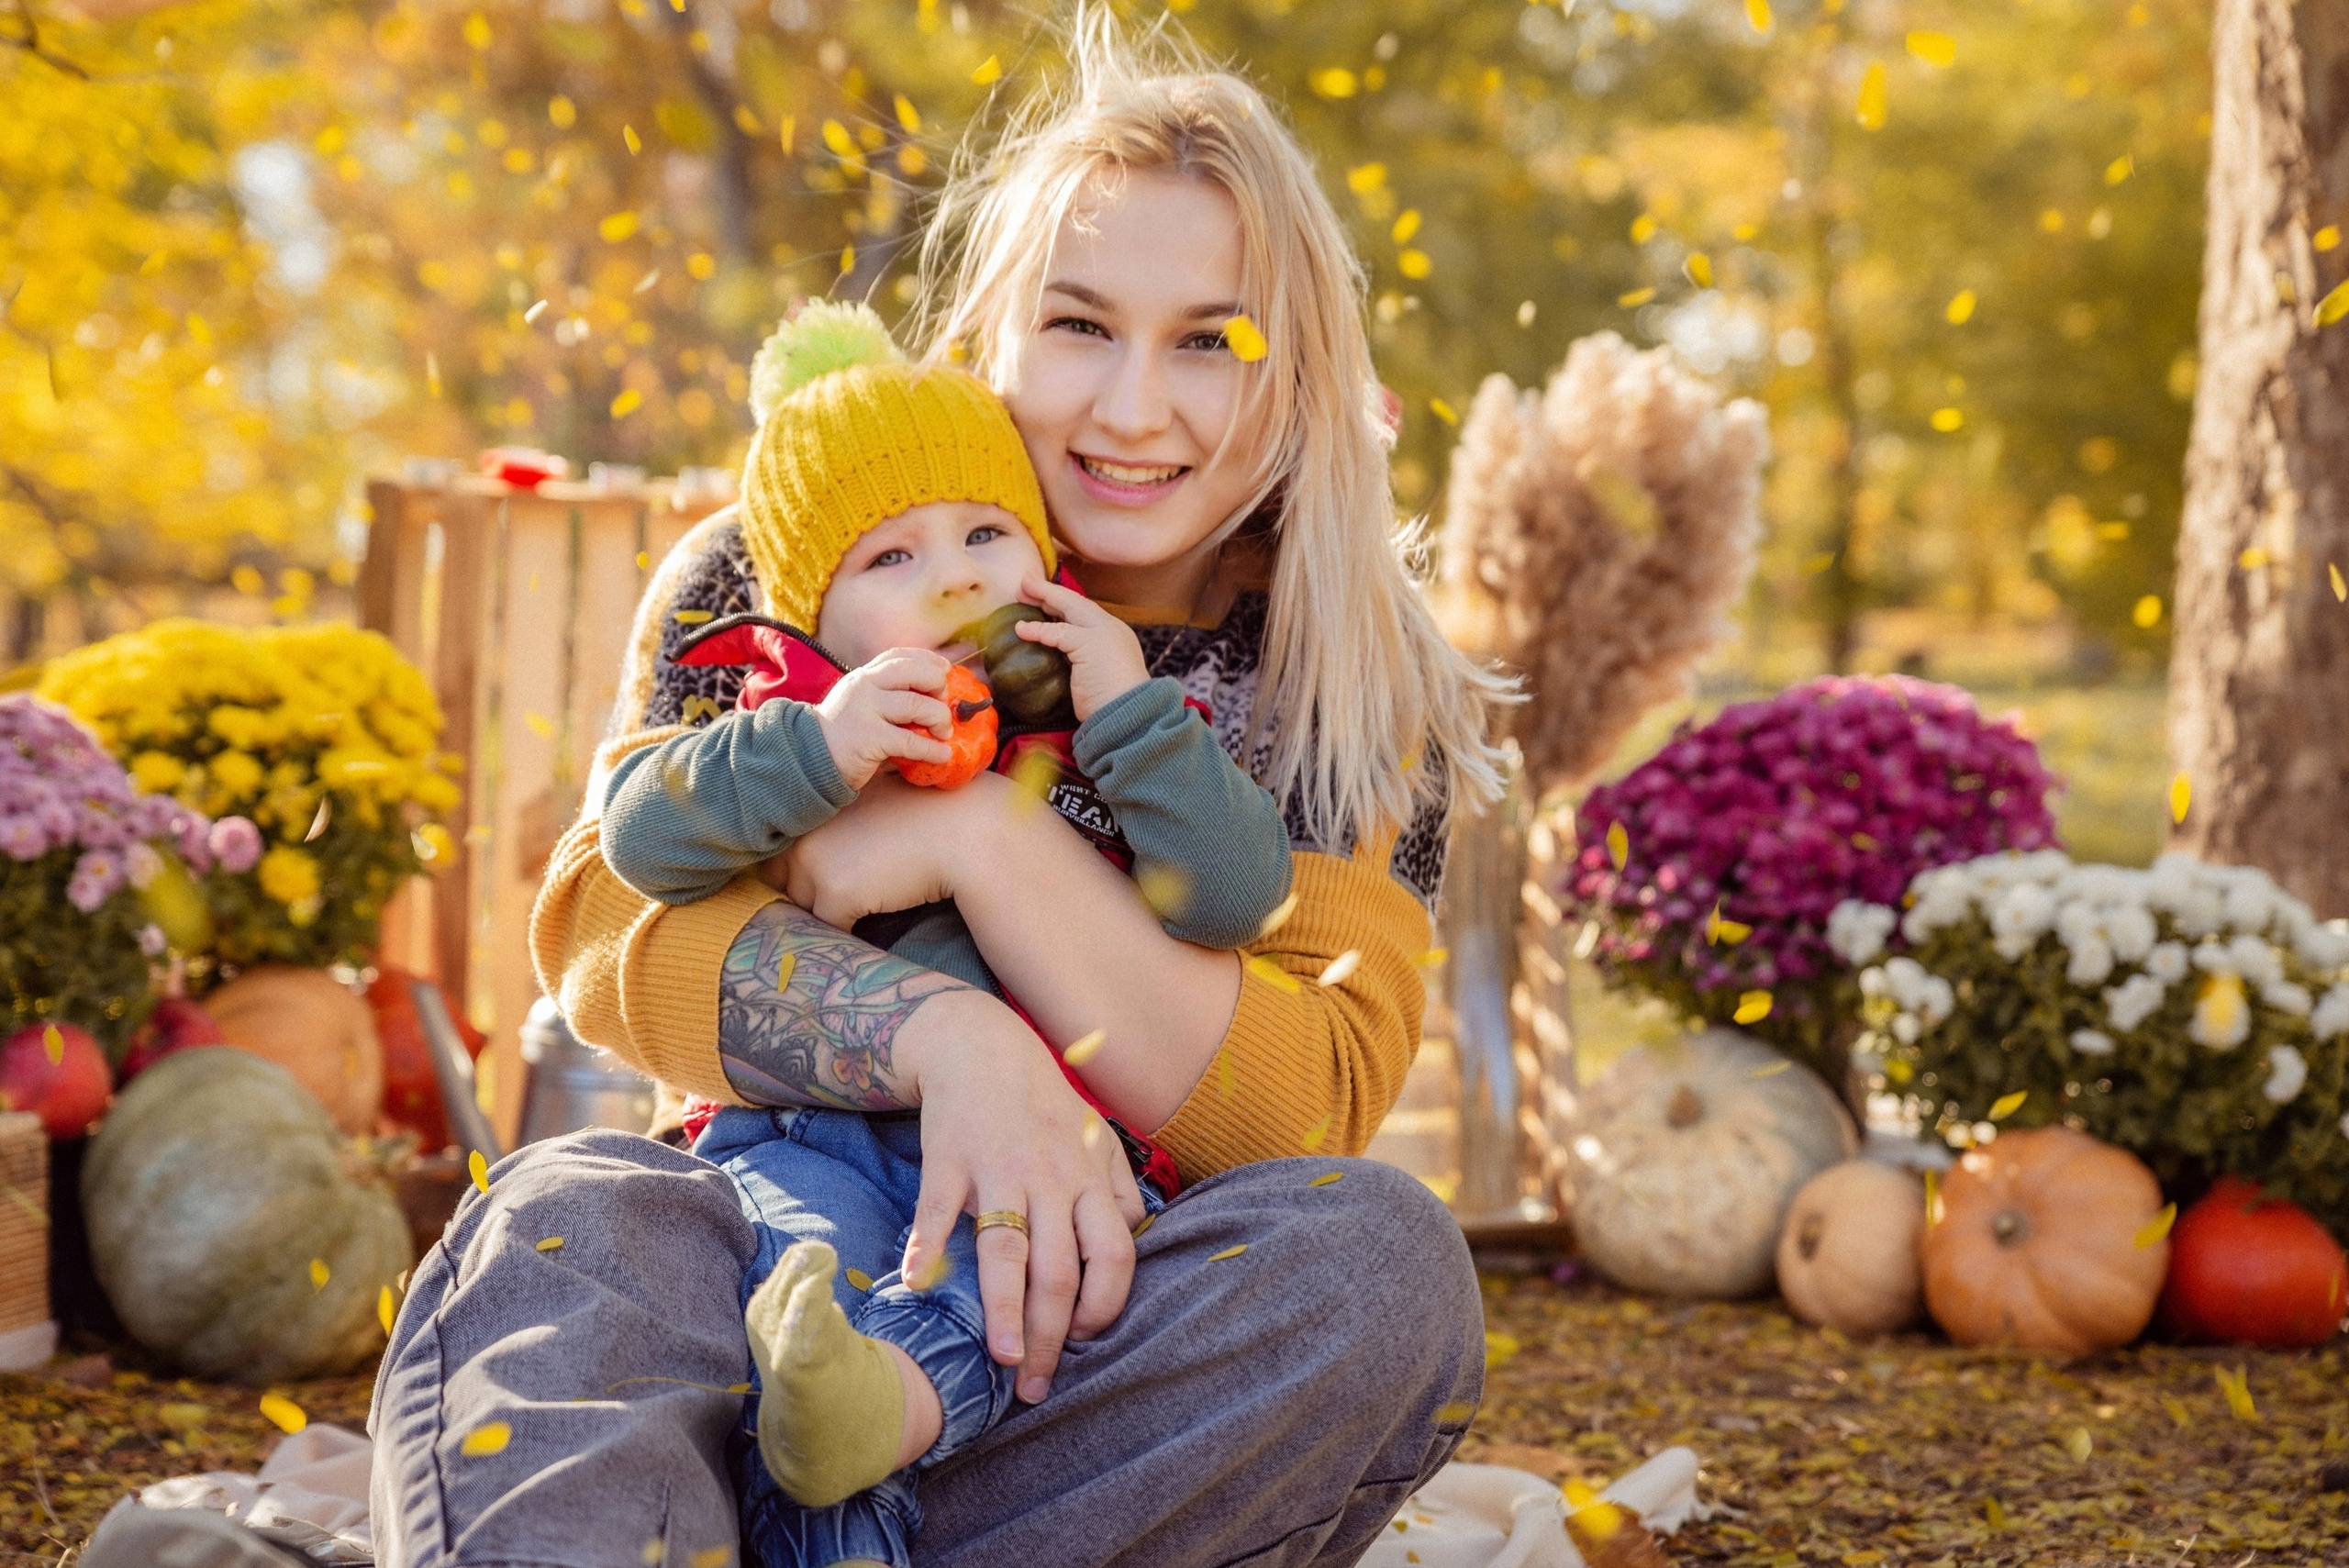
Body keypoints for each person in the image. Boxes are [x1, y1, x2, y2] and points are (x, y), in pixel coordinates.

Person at [369, 13, 1513, 1567]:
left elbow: (1299, 1106)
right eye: (1080, 325)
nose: (1129, 410)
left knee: (1380, 1268)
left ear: (1299, 369)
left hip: (1097, 1317)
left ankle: (747, 1518)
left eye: (1210, 340)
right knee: (565, 1216)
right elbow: (604, 933)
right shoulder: (778, 577)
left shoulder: (1354, 685)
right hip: (770, 1249)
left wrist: (980, 842)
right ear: (995, 328)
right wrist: (952, 1036)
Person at [596, 297, 1294, 1566]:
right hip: (809, 1133)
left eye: (986, 532)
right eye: (893, 559)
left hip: (1049, 1158)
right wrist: (819, 746)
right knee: (800, 1302)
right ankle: (843, 1417)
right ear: (816, 614)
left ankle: (880, 1405)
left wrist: (1132, 716)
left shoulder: (1094, 733)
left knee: (1000, 1288)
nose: (959, 576)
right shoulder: (787, 718)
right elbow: (639, 842)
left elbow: (1241, 893)